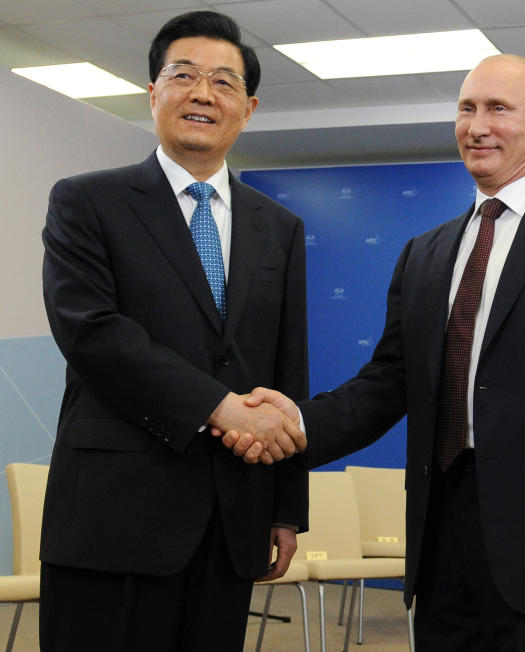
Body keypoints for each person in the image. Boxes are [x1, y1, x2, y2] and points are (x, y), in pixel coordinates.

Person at [225, 53, 525, 651]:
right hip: (441, 545)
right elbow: (388, 382)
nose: (477, 125)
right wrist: (296, 423)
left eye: (498, 108)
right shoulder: (425, 253)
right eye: (466, 108)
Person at [39, 10, 309, 651]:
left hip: (232, 517)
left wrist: (284, 506)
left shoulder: (280, 226)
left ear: (249, 107)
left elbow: (284, 370)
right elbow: (92, 332)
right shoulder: (86, 202)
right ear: (152, 92)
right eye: (182, 75)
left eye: (224, 81)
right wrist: (218, 408)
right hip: (114, 515)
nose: (202, 93)